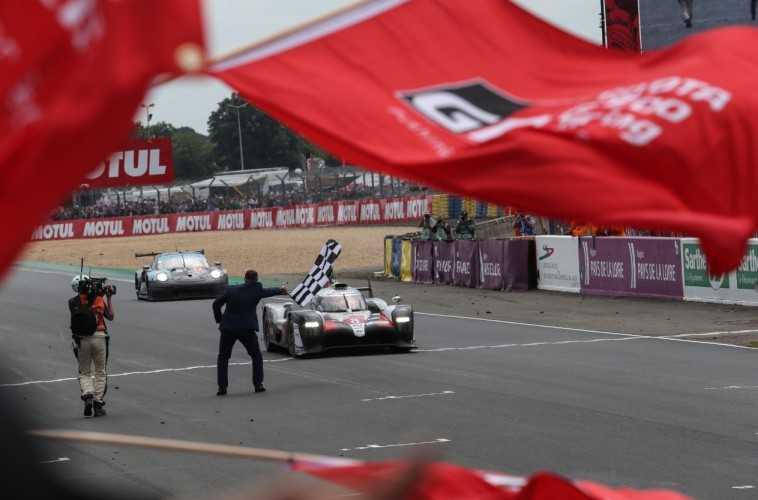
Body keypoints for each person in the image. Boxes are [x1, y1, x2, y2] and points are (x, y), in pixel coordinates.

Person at [212, 270, 287, 396]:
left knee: (223, 357)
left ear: (244, 278)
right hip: (246, 328)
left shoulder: (231, 290)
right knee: (256, 356)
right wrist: (281, 290)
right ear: (256, 279)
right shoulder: (257, 289)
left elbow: (216, 304)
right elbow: (269, 291)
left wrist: (220, 320)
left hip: (228, 328)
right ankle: (258, 385)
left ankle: (222, 387)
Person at [68, 275, 115, 417]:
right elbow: (111, 316)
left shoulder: (73, 302)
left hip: (82, 339)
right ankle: (98, 403)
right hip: (100, 337)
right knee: (100, 371)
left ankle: (88, 394)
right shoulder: (99, 299)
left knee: (84, 372)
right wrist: (108, 297)